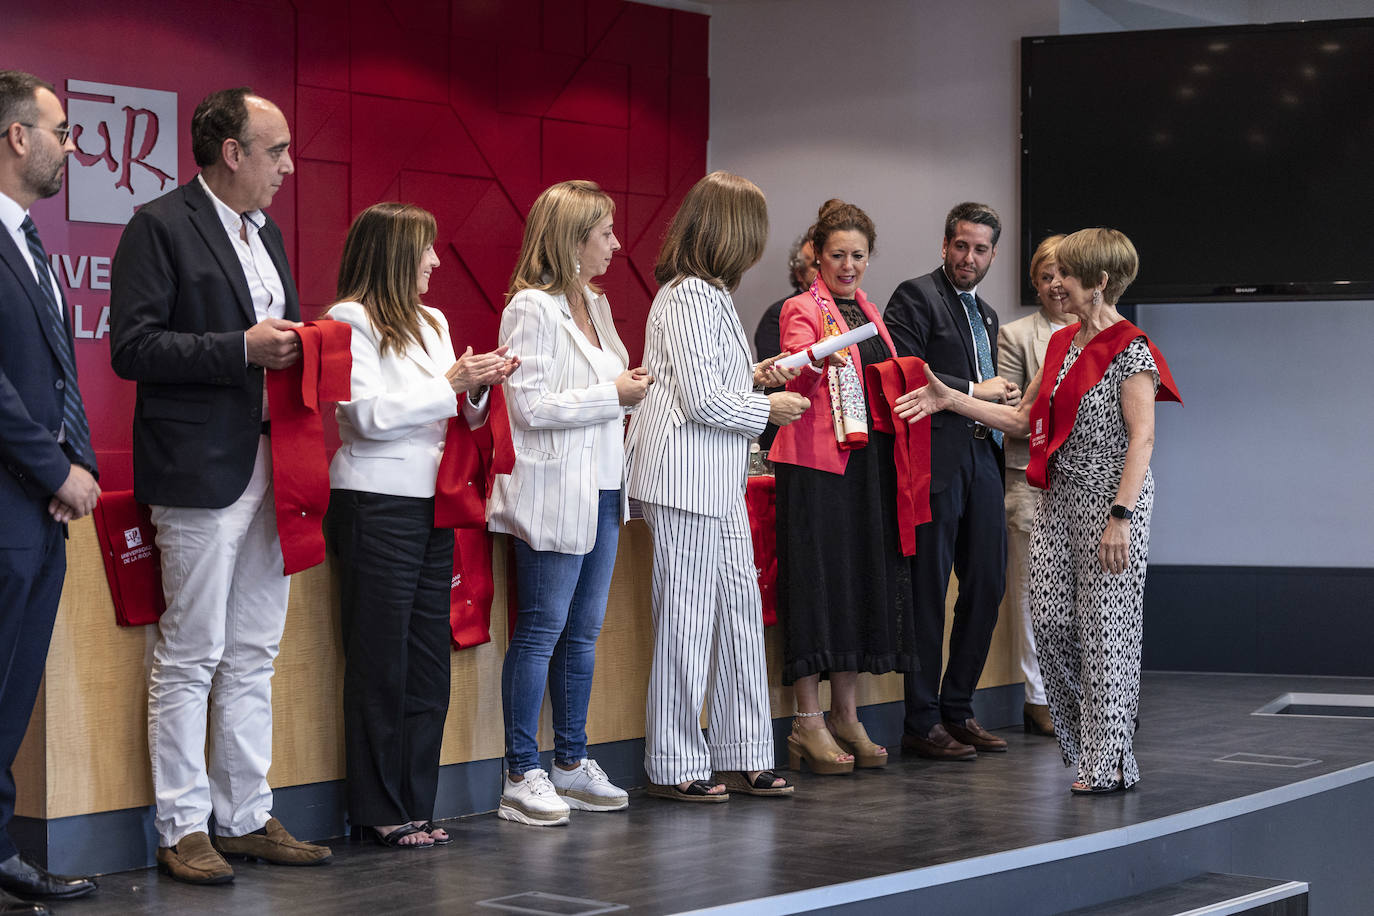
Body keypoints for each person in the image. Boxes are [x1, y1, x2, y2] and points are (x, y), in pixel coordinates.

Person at [109, 88, 331, 884]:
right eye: (275, 151)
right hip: (200, 469)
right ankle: (181, 824)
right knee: (192, 653)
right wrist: (238, 348)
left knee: (253, 652)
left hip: (277, 463)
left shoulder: (263, 231)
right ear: (231, 153)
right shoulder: (159, 226)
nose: (288, 167)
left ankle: (243, 814)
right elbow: (132, 349)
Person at [895, 227, 1180, 793]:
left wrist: (1121, 516)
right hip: (1056, 499)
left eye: (1066, 274)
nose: (1055, 283)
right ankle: (1089, 747)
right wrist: (951, 399)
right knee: (1050, 624)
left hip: (1110, 506)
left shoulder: (1133, 349)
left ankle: (1107, 760)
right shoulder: (1060, 345)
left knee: (1107, 632)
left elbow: (1142, 440)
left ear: (1098, 282)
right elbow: (1024, 421)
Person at [325, 203, 516, 848]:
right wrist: (451, 383)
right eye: (426, 250)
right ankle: (379, 809)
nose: (436, 262)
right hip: (374, 502)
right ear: (395, 254)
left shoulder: (431, 321)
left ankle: (416, 803)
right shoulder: (348, 320)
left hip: (432, 501)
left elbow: (452, 414)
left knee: (429, 661)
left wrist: (481, 386)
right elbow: (362, 418)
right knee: (380, 660)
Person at [625, 171, 808, 802]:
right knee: (686, 622)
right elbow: (702, 401)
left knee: (738, 618)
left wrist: (755, 376)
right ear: (731, 232)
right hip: (685, 478)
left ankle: (743, 751)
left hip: (718, 478)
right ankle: (674, 762)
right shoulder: (685, 297)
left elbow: (707, 382)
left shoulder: (710, 297)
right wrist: (769, 408)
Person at [487, 180, 651, 827]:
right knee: (542, 630)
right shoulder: (531, 308)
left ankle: (570, 761)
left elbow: (607, 390)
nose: (616, 244)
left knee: (582, 634)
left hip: (606, 486)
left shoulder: (594, 303)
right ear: (571, 239)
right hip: (554, 489)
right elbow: (527, 408)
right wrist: (611, 394)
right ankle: (520, 771)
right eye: (604, 233)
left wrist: (627, 395)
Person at [0, 69, 100, 914]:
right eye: (61, 129)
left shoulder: (32, 244)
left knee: (13, 690)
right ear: (16, 136)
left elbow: (59, 376)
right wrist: (55, 468)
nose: (73, 145)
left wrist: (83, 471)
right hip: (9, 502)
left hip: (42, 512)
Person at [769, 200, 913, 774]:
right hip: (816, 466)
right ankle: (807, 722)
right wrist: (808, 360)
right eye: (838, 255)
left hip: (869, 465)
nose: (848, 265)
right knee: (817, 584)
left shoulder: (869, 310)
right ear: (816, 256)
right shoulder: (802, 308)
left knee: (854, 583)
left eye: (858, 255)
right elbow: (795, 368)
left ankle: (846, 714)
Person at [883, 202, 1020, 760]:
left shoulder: (986, 314)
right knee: (929, 593)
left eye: (980, 249)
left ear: (992, 253)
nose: (969, 257)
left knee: (988, 584)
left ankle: (957, 709)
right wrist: (982, 388)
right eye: (960, 246)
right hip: (935, 464)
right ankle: (920, 722)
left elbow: (976, 392)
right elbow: (902, 373)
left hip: (984, 459)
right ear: (945, 245)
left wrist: (999, 395)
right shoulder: (914, 295)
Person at [998, 234, 1069, 738]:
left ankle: (1082, 691)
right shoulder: (1017, 335)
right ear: (1034, 282)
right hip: (1030, 480)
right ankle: (1039, 697)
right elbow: (1007, 414)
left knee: (1083, 593)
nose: (1055, 285)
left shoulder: (1108, 335)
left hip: (1088, 483)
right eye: (1045, 276)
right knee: (1033, 593)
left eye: (1063, 274)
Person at [753, 233, 817, 450]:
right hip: (790, 434)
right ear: (799, 273)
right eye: (815, 264)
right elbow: (776, 377)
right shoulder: (778, 313)